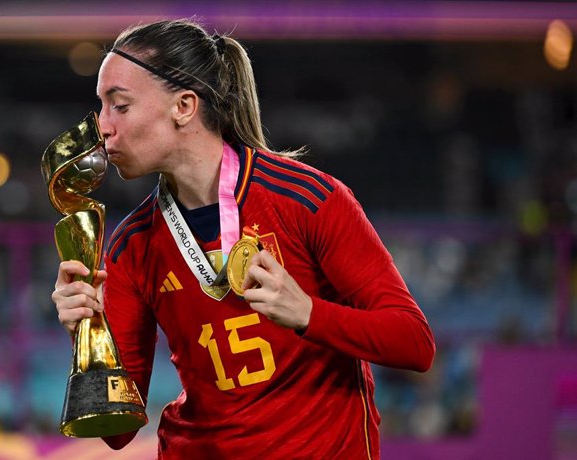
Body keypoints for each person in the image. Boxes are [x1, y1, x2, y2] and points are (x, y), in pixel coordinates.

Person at [52, 18, 435, 459]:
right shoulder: (129, 245)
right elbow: (117, 433)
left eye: (119, 106)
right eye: (101, 107)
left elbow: (415, 343)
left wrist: (309, 313)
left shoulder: (306, 200)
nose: (102, 127)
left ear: (184, 106)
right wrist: (88, 334)